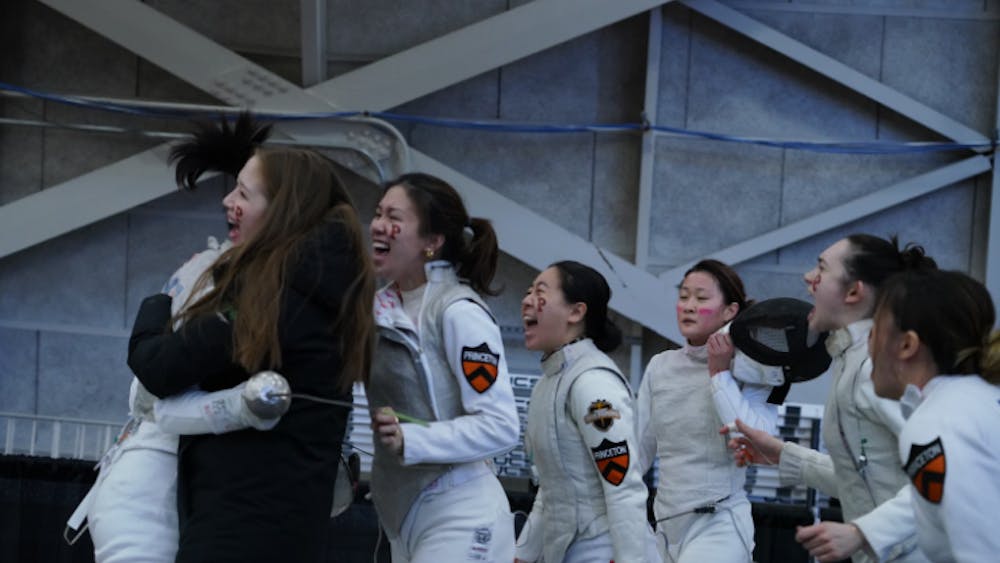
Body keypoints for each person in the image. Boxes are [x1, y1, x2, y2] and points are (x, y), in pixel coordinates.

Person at [128, 145, 375, 562]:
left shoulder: (276, 295)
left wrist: (163, 299)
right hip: (285, 528)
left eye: (243, 193)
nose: (228, 201)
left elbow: (159, 368)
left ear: (283, 210)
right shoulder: (326, 284)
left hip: (238, 528)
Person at [67, 115, 287, 563]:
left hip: (174, 486)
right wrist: (242, 407)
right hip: (150, 488)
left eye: (243, 192)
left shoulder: (265, 280)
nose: (228, 201)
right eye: (236, 189)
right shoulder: (209, 272)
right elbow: (149, 395)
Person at [726, 234, 935, 563]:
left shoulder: (875, 368)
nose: (808, 277)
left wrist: (861, 533)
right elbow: (864, 479)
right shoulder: (850, 360)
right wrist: (781, 454)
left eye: (821, 269)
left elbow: (940, 478)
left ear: (854, 292)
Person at [365, 172, 519, 562]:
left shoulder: (458, 311)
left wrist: (414, 440)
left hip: (461, 513)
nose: (378, 225)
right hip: (403, 516)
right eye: (378, 213)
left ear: (432, 243)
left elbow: (501, 427)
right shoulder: (379, 305)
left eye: (394, 217)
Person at [514, 260, 659, 563]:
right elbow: (552, 489)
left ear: (576, 312)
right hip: (566, 547)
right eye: (528, 291)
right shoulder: (547, 385)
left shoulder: (593, 382)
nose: (527, 300)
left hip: (605, 546)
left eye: (540, 291)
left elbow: (623, 486)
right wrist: (522, 555)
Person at [635, 259, 779, 563]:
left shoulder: (753, 368)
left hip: (720, 525)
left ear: (730, 312)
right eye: (684, 296)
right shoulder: (661, 366)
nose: (688, 305)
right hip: (664, 528)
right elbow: (639, 451)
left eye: (701, 298)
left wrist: (719, 373)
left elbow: (757, 438)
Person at [865, 268, 1000, 562]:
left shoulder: (937, 424)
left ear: (907, 345)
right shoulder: (978, 402)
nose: (868, 341)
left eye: (874, 328)